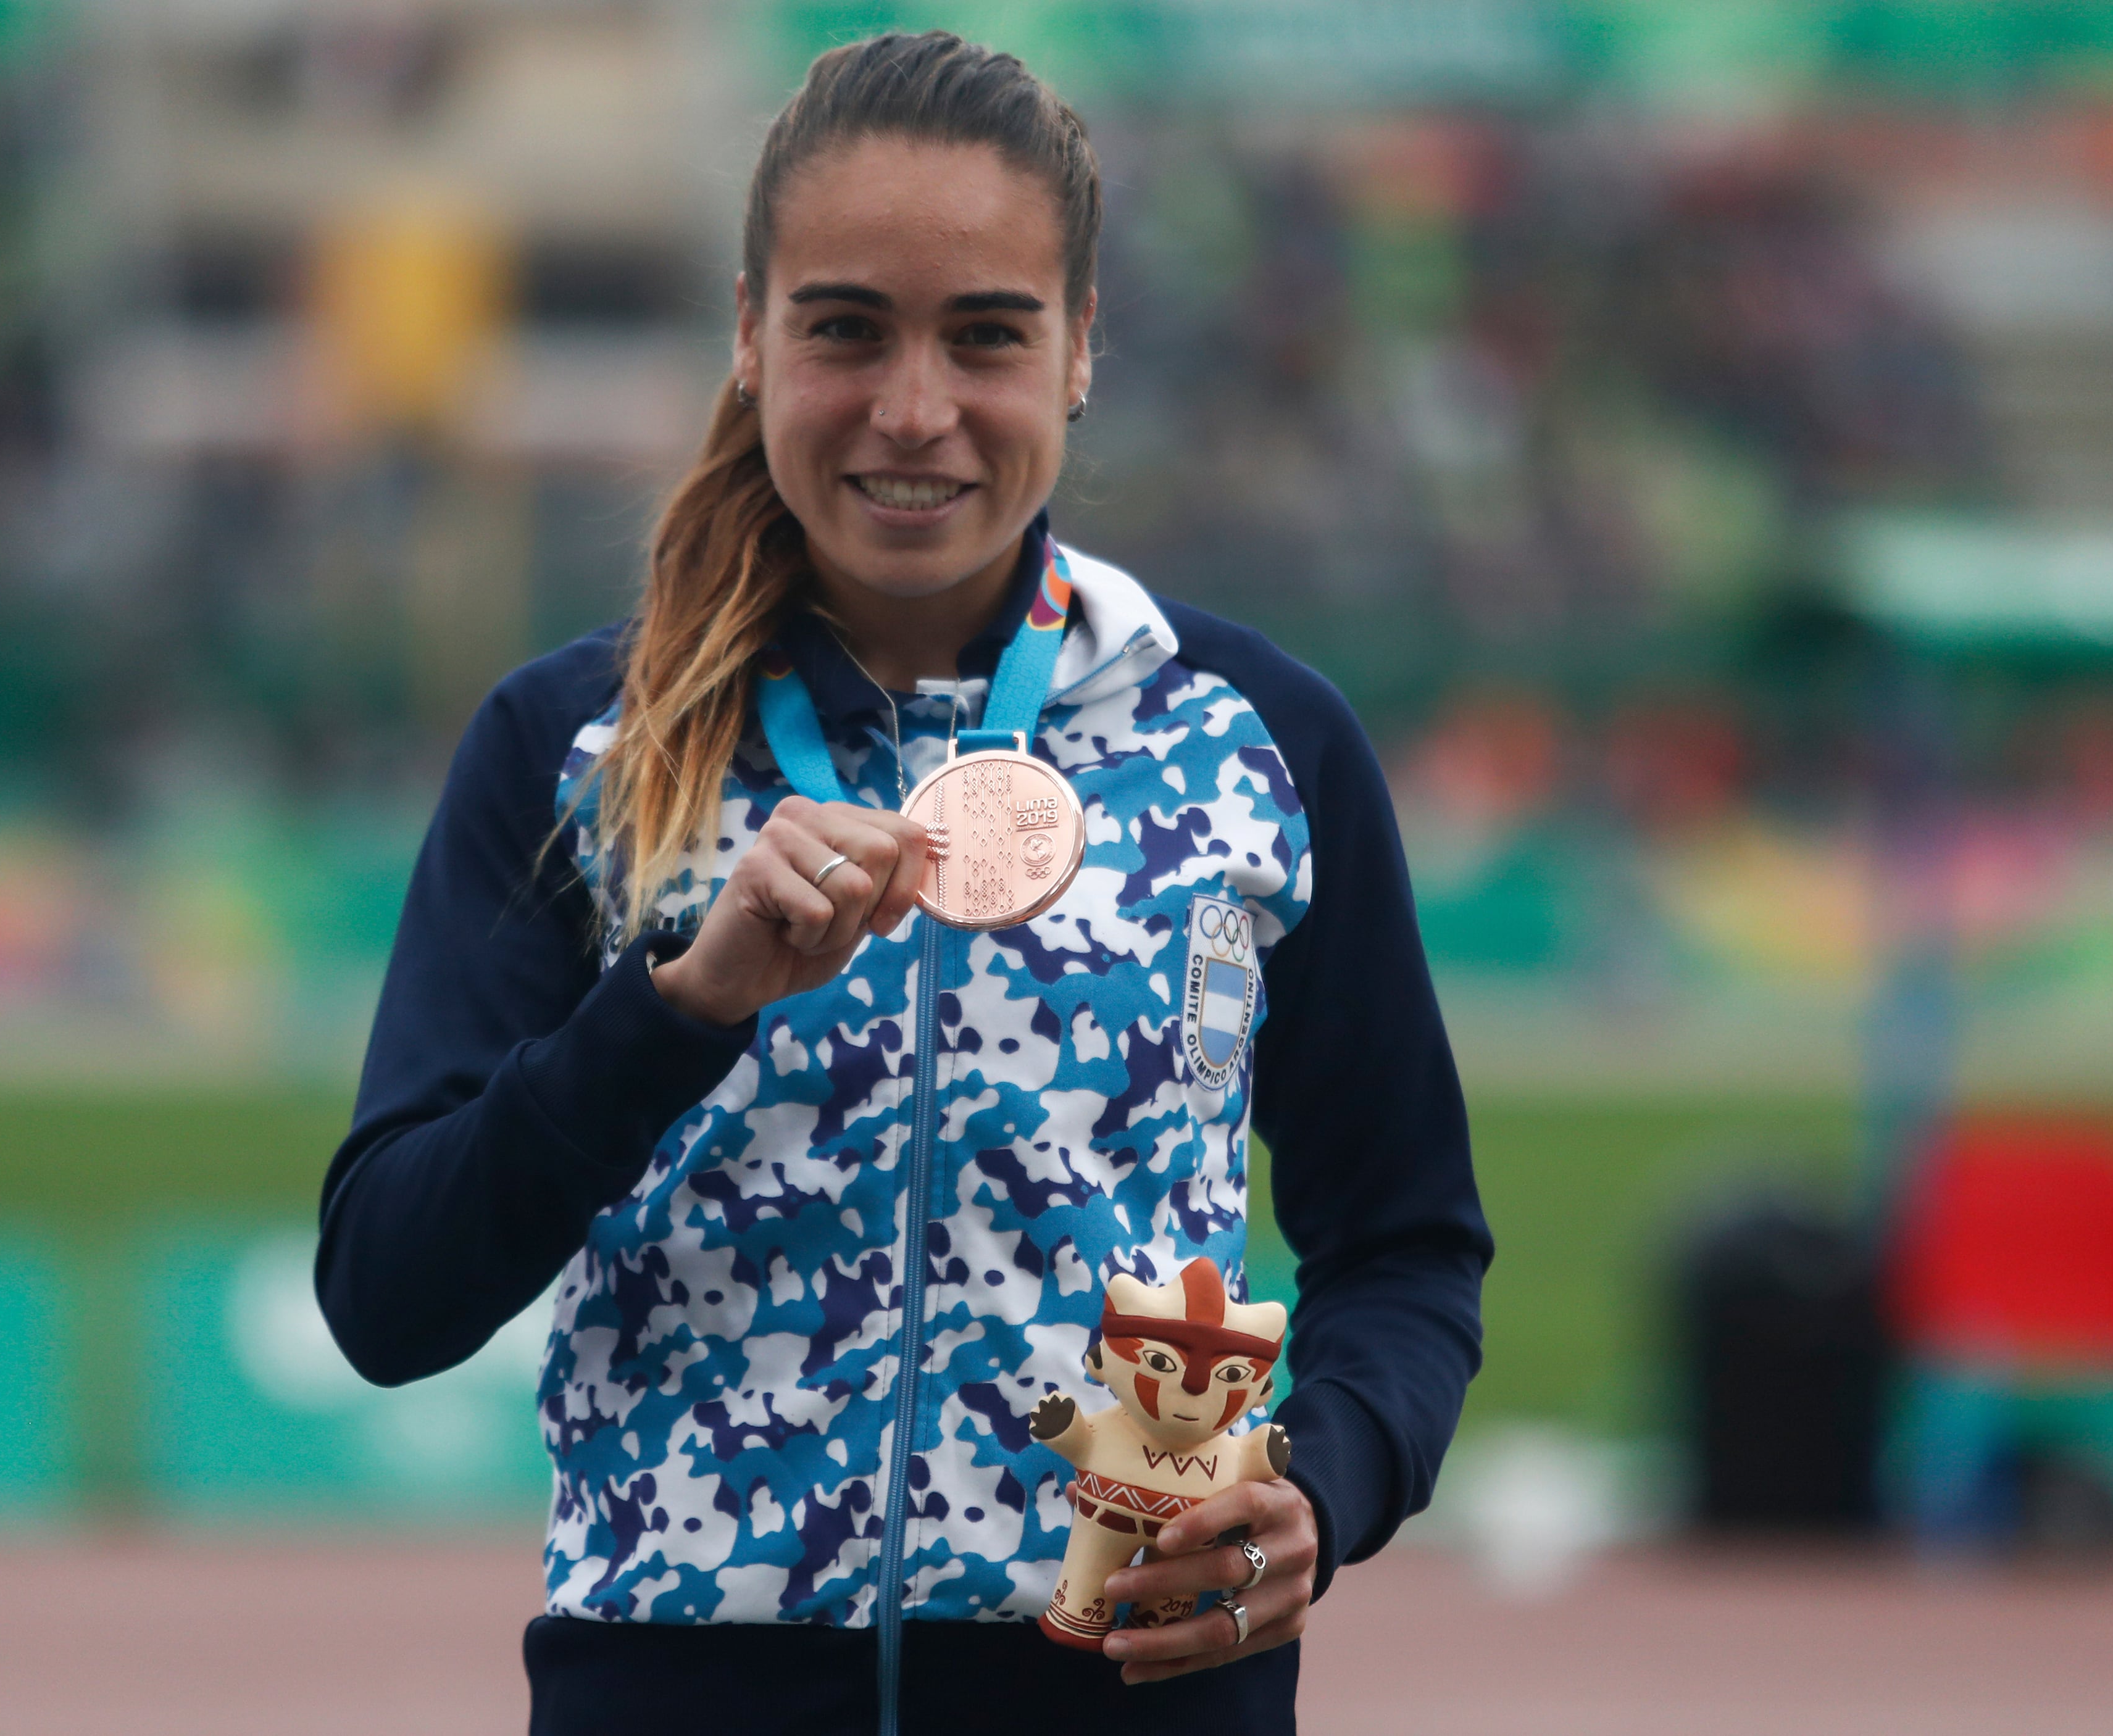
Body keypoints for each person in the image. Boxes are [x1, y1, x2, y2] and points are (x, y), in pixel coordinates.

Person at [316, 31, 1488, 1736]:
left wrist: (1331, 1484)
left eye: (987, 335)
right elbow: (385, 1296)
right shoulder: (574, 745)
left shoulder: (1262, 744)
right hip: (677, 1693)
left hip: (1136, 1691)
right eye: (847, 328)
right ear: (750, 335)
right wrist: (678, 1009)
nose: (915, 408)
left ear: (1082, 348)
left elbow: (1408, 1244)